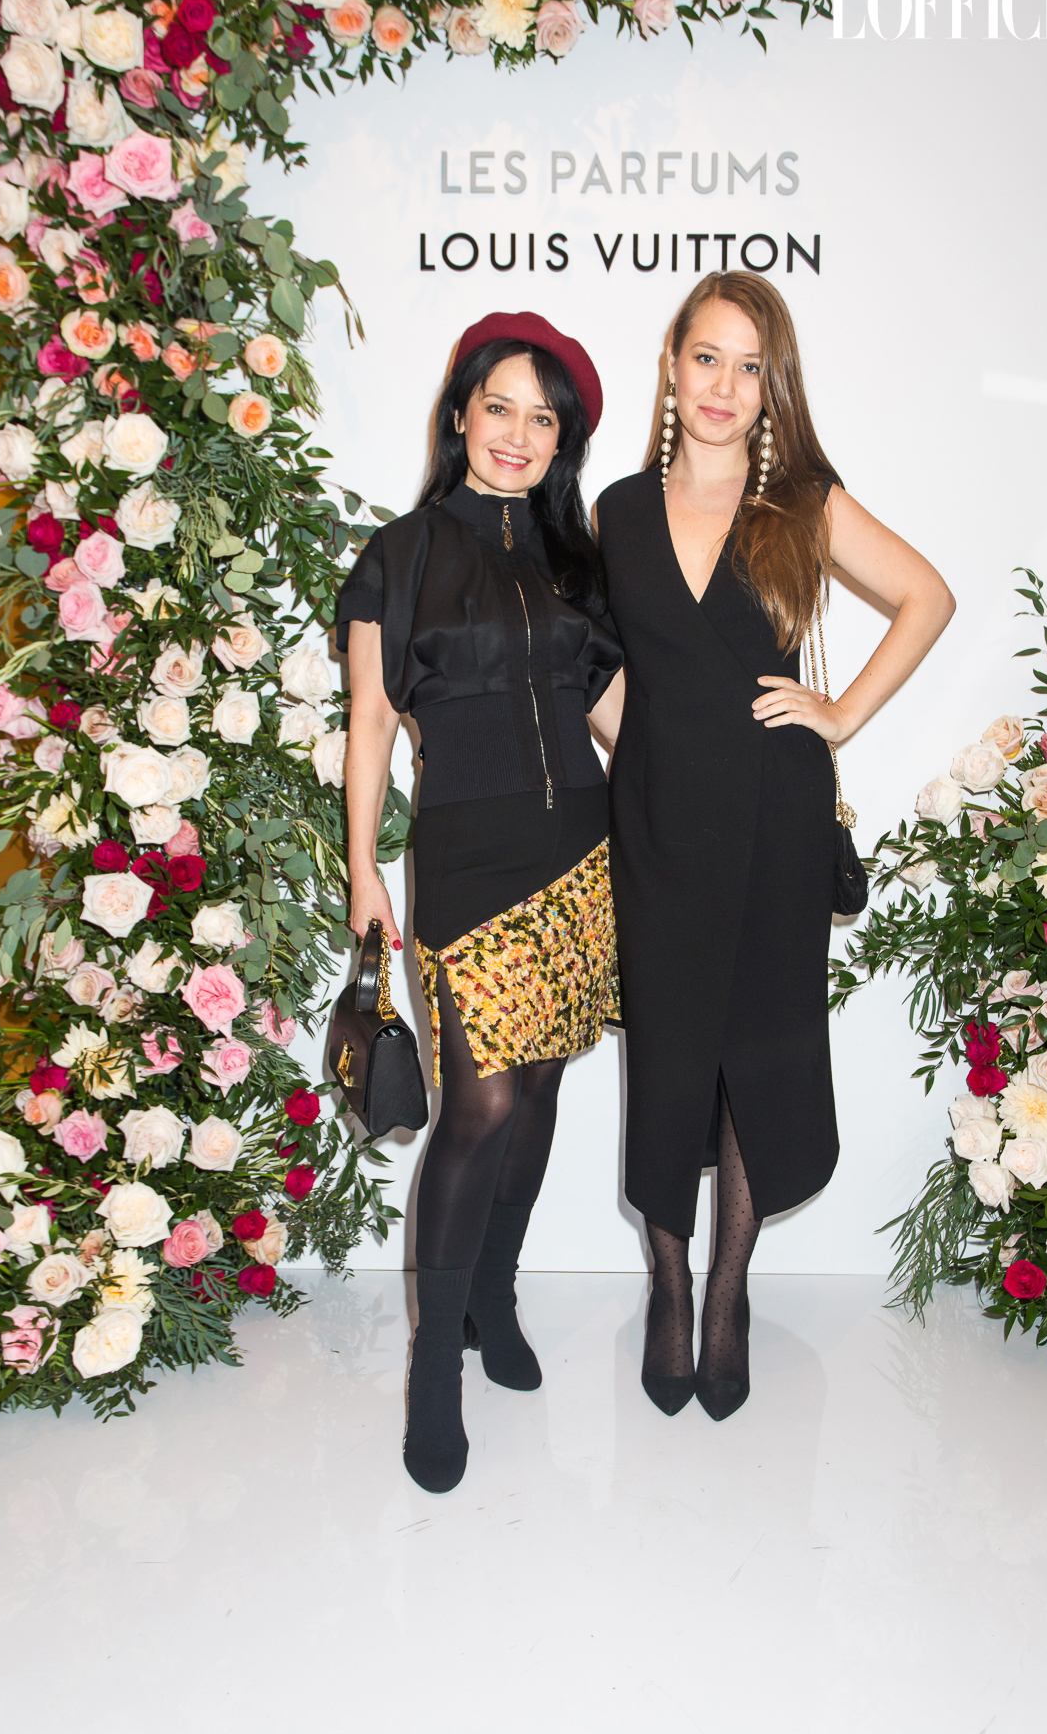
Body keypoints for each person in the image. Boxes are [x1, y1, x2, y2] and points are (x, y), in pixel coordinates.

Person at [595, 272, 955, 1421]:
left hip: (775, 821)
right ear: (672, 364)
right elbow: (599, 669)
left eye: (751, 367)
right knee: (667, 1056)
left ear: (773, 387)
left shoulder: (802, 502)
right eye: (707, 357)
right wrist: (646, 744)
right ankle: (667, 1283)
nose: (724, 385)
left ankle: (728, 1293)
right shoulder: (617, 512)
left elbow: (928, 597)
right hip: (658, 824)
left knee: (759, 1048)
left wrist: (839, 713)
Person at [338, 312, 624, 1493]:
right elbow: (369, 723)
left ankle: (491, 1302)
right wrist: (362, 868)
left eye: (541, 418)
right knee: (480, 1104)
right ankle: (432, 1372)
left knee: (541, 1089)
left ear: (562, 442)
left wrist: (730, 791)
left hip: (582, 853)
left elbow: (613, 716)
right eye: (498, 406)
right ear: (459, 414)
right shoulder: (398, 555)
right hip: (465, 859)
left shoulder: (576, 563)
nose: (516, 433)